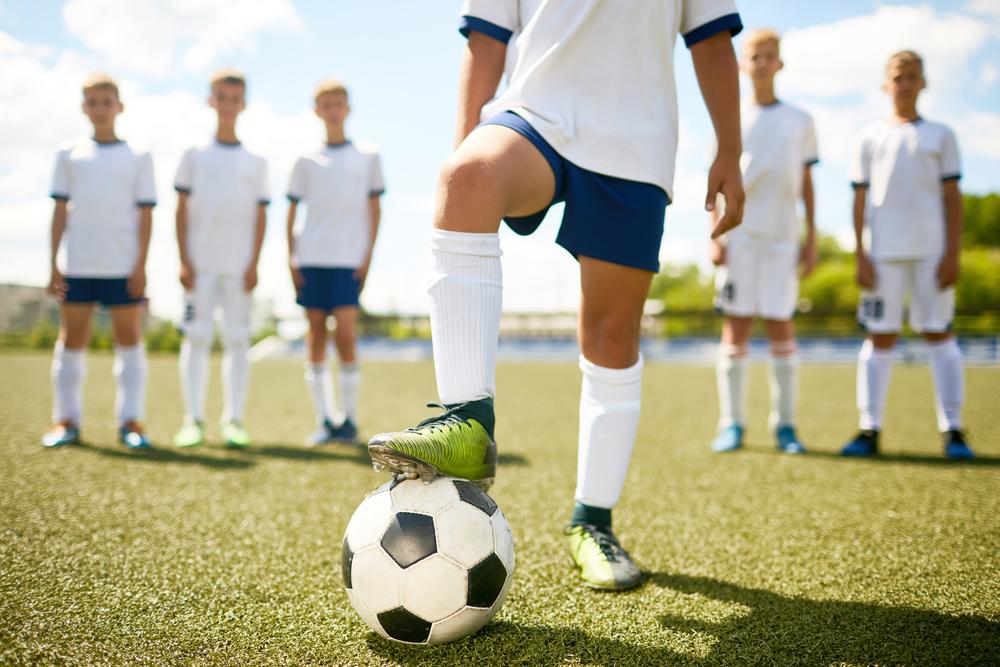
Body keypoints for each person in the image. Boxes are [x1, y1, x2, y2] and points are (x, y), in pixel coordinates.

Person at [367, 0, 745, 591]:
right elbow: (487, 39)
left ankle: (592, 521)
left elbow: (712, 39)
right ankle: (468, 420)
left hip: (636, 142)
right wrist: (467, 136)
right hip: (537, 113)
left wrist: (729, 148)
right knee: (468, 176)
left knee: (612, 335)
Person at [842, 50, 973, 459]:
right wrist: (860, 254)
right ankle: (869, 428)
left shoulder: (941, 135)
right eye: (898, 77)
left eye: (913, 76)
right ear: (886, 84)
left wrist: (953, 251)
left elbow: (953, 198)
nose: (905, 83)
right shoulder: (868, 137)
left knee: (939, 333)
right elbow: (859, 199)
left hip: (931, 253)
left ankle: (953, 428)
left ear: (924, 83)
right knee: (880, 337)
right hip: (882, 254)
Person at [709, 29, 819, 454]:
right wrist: (714, 233)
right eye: (755, 56)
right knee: (735, 329)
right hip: (740, 237)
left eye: (769, 56)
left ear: (780, 64)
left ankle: (786, 426)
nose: (762, 63)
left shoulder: (800, 120)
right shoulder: (730, 116)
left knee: (781, 327)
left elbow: (807, 182)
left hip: (782, 239)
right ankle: (731, 424)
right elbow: (717, 180)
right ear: (743, 63)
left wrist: (810, 238)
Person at [42, 73, 156, 449]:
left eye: (107, 102)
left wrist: (140, 266)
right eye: (93, 102)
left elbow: (145, 215)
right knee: (72, 341)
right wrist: (54, 264)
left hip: (122, 266)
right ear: (84, 108)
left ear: (119, 106)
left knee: (129, 341)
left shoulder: (138, 156)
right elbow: (60, 211)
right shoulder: (68, 153)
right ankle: (66, 421)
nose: (101, 109)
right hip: (78, 264)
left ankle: (131, 422)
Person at [172, 69, 270, 449]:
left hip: (238, 267)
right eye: (221, 97)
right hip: (199, 266)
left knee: (237, 340)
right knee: (195, 339)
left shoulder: (256, 160)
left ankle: (234, 421)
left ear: (242, 104)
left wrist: (253, 263)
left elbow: (261, 215)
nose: (228, 105)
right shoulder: (193, 155)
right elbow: (180, 211)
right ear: (210, 100)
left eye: (234, 99)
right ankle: (192, 421)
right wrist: (184, 259)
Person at [287, 78, 385, 445]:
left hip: (348, 260)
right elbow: (292, 211)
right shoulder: (305, 159)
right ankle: (324, 420)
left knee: (345, 336)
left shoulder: (368, 156)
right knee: (314, 336)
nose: (332, 111)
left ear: (348, 108)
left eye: (338, 104)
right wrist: (291, 258)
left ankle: (350, 421)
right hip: (311, 258)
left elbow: (375, 211)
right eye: (325, 105)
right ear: (317, 111)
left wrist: (367, 256)